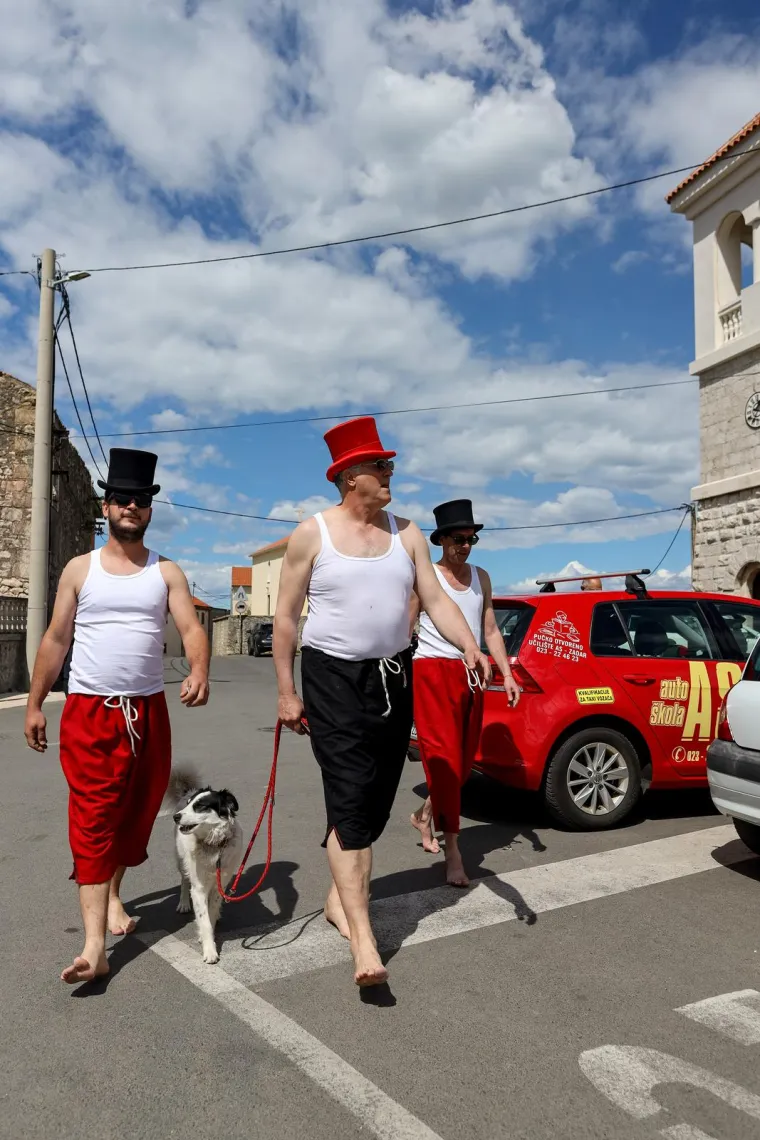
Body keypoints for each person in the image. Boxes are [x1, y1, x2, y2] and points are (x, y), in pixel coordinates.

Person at [274, 417, 490, 988]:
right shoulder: (311, 534)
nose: (391, 473)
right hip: (332, 679)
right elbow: (286, 618)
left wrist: (470, 644)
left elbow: (436, 599)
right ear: (350, 477)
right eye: (381, 466)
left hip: (395, 679)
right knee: (348, 794)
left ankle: (335, 899)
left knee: (372, 796)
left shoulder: (409, 533)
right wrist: (287, 690)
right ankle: (365, 939)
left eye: (389, 465)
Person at [24, 448, 210, 985]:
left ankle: (112, 893)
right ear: (106, 506)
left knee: (134, 812)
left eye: (141, 500)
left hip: (148, 712)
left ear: (149, 509)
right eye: (122, 498)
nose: (131, 506)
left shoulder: (165, 571)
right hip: (90, 711)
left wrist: (199, 668)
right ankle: (93, 947)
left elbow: (193, 628)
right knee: (91, 816)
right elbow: (57, 638)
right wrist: (36, 704)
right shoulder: (80, 570)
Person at [410, 500, 521, 886]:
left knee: (459, 768)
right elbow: (405, 626)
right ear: (441, 540)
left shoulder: (481, 577)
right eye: (458, 538)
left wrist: (507, 674)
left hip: (472, 675)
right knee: (442, 761)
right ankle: (454, 853)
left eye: (471, 538)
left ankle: (424, 816)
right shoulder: (426, 577)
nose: (466, 545)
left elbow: (490, 630)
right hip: (431, 672)